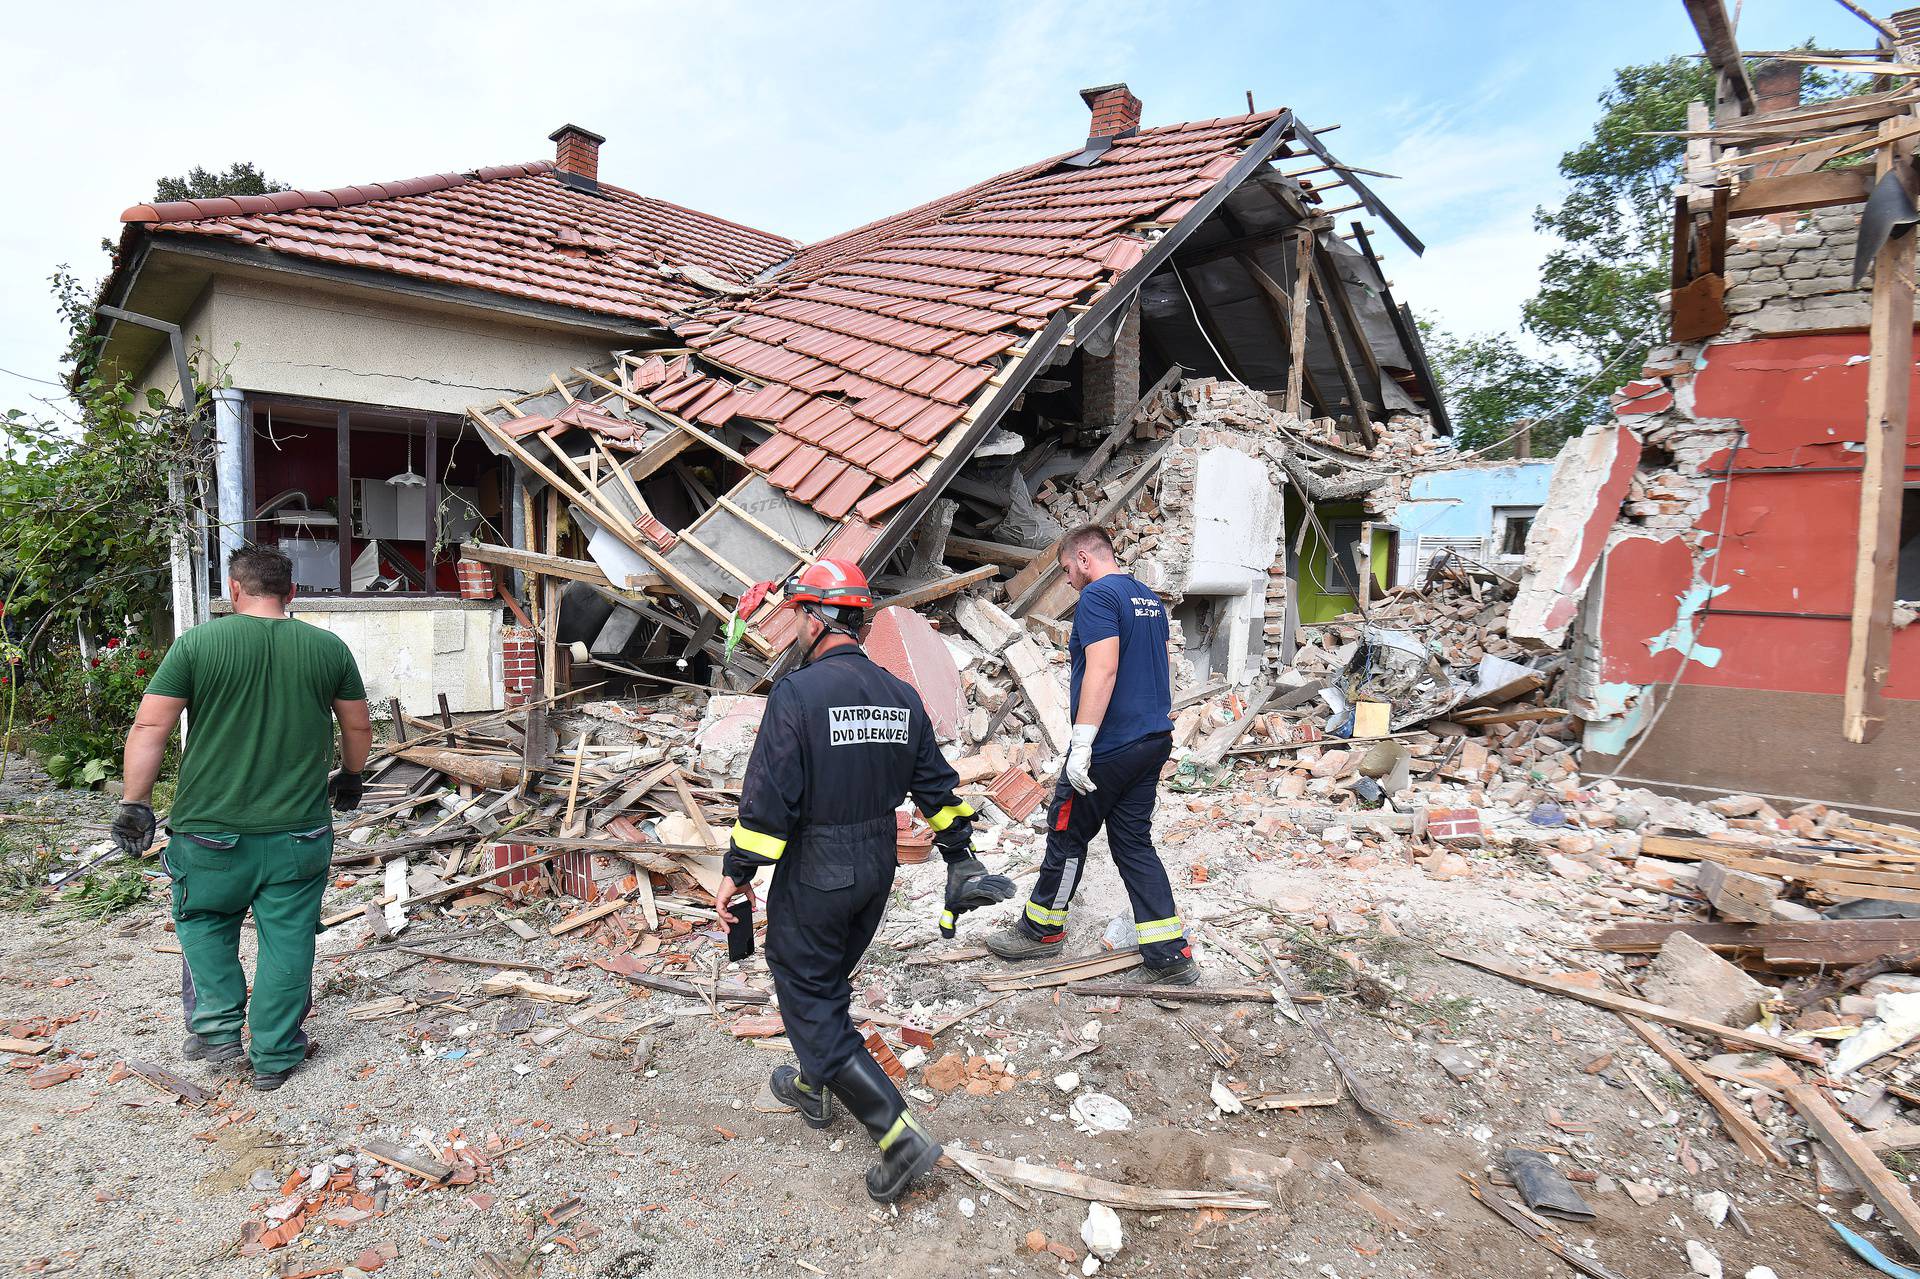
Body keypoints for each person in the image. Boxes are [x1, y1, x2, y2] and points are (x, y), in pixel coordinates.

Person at [713, 558, 1009, 1202]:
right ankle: (815, 1086)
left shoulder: (797, 694)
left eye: (795, 614)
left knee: (805, 984)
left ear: (817, 618)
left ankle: (898, 1137)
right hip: (876, 864)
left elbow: (769, 801)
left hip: (819, 865)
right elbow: (938, 788)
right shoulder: (901, 696)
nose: (790, 626)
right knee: (826, 977)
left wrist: (737, 874)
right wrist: (961, 854)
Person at [110, 545, 372, 1091]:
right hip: (299, 831)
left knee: (204, 922)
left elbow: (150, 729)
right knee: (289, 936)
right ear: (291, 592)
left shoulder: (198, 644)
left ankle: (216, 1031)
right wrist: (349, 778)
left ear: (234, 589)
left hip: (208, 831)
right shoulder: (327, 648)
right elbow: (358, 729)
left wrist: (135, 804)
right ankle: (275, 1055)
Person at [986, 524, 1196, 984]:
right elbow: (1162, 667)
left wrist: (1082, 745)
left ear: (1084, 558)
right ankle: (1170, 955)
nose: (1066, 581)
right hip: (1152, 739)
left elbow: (1104, 669)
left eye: (1066, 569)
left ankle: (1042, 932)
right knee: (1133, 843)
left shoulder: (1099, 598)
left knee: (1066, 832)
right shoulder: (1148, 600)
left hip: (1111, 745)